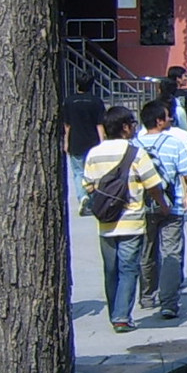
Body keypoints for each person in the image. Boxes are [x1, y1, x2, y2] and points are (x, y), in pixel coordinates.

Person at [83, 105, 169, 333]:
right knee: (129, 269)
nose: (134, 128)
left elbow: (88, 186)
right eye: (132, 124)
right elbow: (153, 184)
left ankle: (115, 313)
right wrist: (163, 205)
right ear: (124, 127)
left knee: (110, 270)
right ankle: (122, 317)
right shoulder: (136, 153)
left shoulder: (93, 153)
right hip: (131, 220)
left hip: (105, 223)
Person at [137, 98, 187, 320]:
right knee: (171, 252)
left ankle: (147, 295)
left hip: (142, 206)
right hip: (172, 205)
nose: (170, 119)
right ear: (159, 121)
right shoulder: (174, 143)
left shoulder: (134, 144)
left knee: (147, 250)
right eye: (166, 116)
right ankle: (169, 302)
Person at [62, 72, 106, 209]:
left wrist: (66, 142)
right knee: (93, 171)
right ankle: (91, 197)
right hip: (93, 141)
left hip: (75, 140)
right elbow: (100, 124)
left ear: (77, 84)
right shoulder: (96, 101)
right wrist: (102, 141)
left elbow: (67, 125)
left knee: (78, 172)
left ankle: (82, 196)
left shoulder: (69, 101)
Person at [161, 66, 187, 134]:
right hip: (183, 130)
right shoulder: (186, 95)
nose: (186, 78)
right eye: (184, 76)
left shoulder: (165, 95)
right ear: (178, 78)